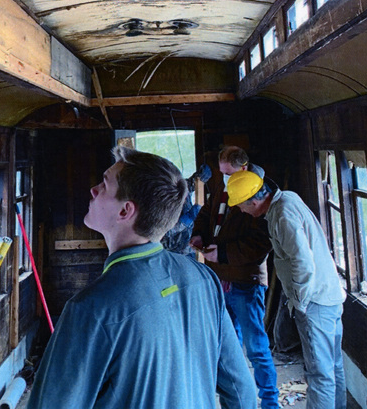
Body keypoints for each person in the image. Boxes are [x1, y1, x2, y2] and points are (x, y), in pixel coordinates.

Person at [27, 146, 257, 409]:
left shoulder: (90, 310)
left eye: (104, 184)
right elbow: (242, 392)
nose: (93, 190)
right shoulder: (203, 279)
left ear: (125, 211)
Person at [227, 168, 347, 409]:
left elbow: (303, 262)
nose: (240, 210)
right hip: (330, 295)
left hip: (315, 303)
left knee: (319, 374)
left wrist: (300, 304)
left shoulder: (281, 215)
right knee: (333, 366)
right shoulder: (287, 198)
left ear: (254, 200)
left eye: (241, 205)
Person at [190, 146, 280, 409]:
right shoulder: (223, 185)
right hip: (220, 278)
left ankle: (270, 404)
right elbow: (207, 212)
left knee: (256, 347)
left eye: (228, 173)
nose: (224, 178)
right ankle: (240, 402)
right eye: (221, 173)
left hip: (244, 280)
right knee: (229, 348)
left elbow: (261, 243)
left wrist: (225, 254)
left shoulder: (258, 193)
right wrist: (198, 234)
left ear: (244, 168)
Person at [161, 162, 211, 255]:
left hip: (192, 242)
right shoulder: (156, 200)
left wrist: (201, 176)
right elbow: (161, 236)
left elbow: (189, 185)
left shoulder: (178, 185)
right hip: (177, 252)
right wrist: (184, 221)